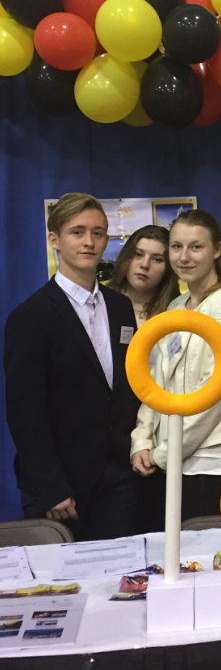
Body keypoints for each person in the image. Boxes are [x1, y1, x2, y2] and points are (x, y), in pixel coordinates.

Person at [4, 194, 140, 540]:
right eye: (77, 232)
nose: (89, 242)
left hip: (119, 478)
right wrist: (50, 485)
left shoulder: (121, 307)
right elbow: (25, 412)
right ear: (54, 239)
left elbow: (129, 387)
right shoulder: (30, 317)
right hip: (61, 487)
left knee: (124, 570)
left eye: (98, 233)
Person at [130, 210, 221, 529]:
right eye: (176, 247)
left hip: (212, 463)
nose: (184, 257)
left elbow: (215, 394)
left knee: (207, 553)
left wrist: (164, 453)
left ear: (217, 250)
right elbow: (154, 384)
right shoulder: (175, 306)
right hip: (169, 460)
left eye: (195, 247)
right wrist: (142, 439)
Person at [108, 225, 179, 329]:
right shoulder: (101, 302)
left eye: (157, 259)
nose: (145, 265)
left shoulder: (178, 310)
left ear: (168, 269)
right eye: (138, 254)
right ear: (125, 257)